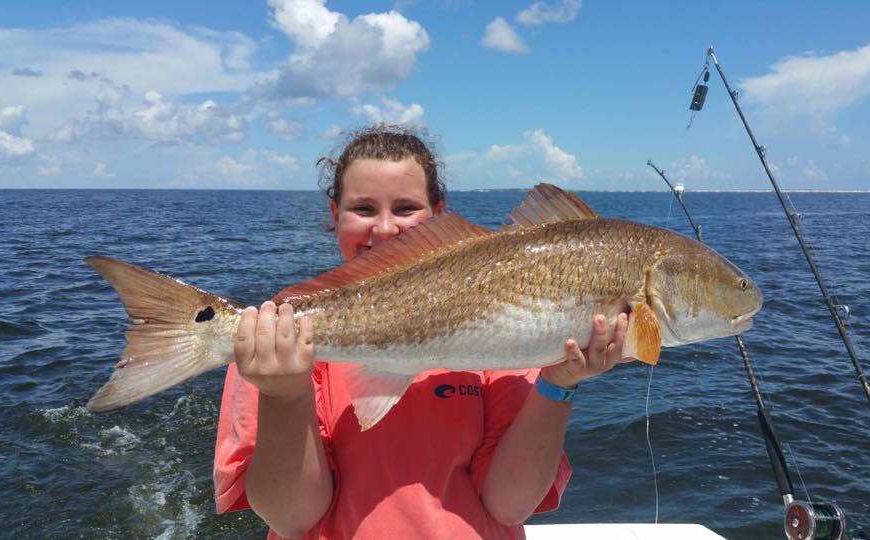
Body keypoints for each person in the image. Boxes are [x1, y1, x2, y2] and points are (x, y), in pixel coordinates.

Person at [213, 124, 631, 539]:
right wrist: (284, 394)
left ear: (439, 215)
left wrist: (559, 382)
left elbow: (509, 504)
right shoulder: (277, 339)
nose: (385, 229)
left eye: (406, 208)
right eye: (363, 209)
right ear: (334, 215)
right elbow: (292, 519)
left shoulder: (502, 332)